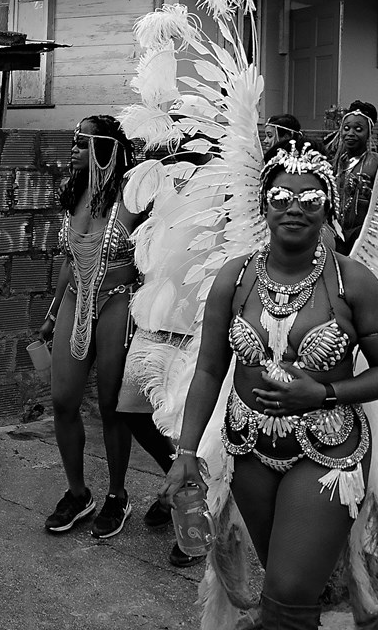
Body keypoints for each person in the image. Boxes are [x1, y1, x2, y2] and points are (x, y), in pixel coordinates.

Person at [159, 140, 378, 629]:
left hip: (329, 448)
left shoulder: (353, 283)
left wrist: (323, 393)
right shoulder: (236, 278)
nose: (294, 207)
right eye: (281, 197)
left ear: (328, 210)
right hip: (249, 444)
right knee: (283, 583)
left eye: (310, 199)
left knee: (291, 589)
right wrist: (186, 450)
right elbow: (210, 369)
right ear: (264, 205)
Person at [122, 94, 228, 566]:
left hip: (197, 328)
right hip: (152, 321)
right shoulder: (159, 178)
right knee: (130, 412)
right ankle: (178, 481)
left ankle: (193, 523)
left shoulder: (224, 182)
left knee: (190, 429)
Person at [39, 115, 144, 539]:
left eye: (83, 143)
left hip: (118, 301)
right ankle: (78, 493)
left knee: (112, 406)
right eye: (74, 141)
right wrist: (50, 316)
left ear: (104, 149)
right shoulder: (75, 193)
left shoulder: (133, 198)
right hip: (73, 300)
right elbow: (68, 260)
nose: (74, 149)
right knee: (63, 400)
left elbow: (152, 256)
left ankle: (118, 495)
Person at [331, 101, 378, 253]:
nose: (350, 133)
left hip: (363, 236)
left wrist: (367, 193)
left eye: (358, 129)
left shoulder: (375, 162)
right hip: (336, 233)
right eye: (346, 128)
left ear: (369, 133)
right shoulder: (337, 162)